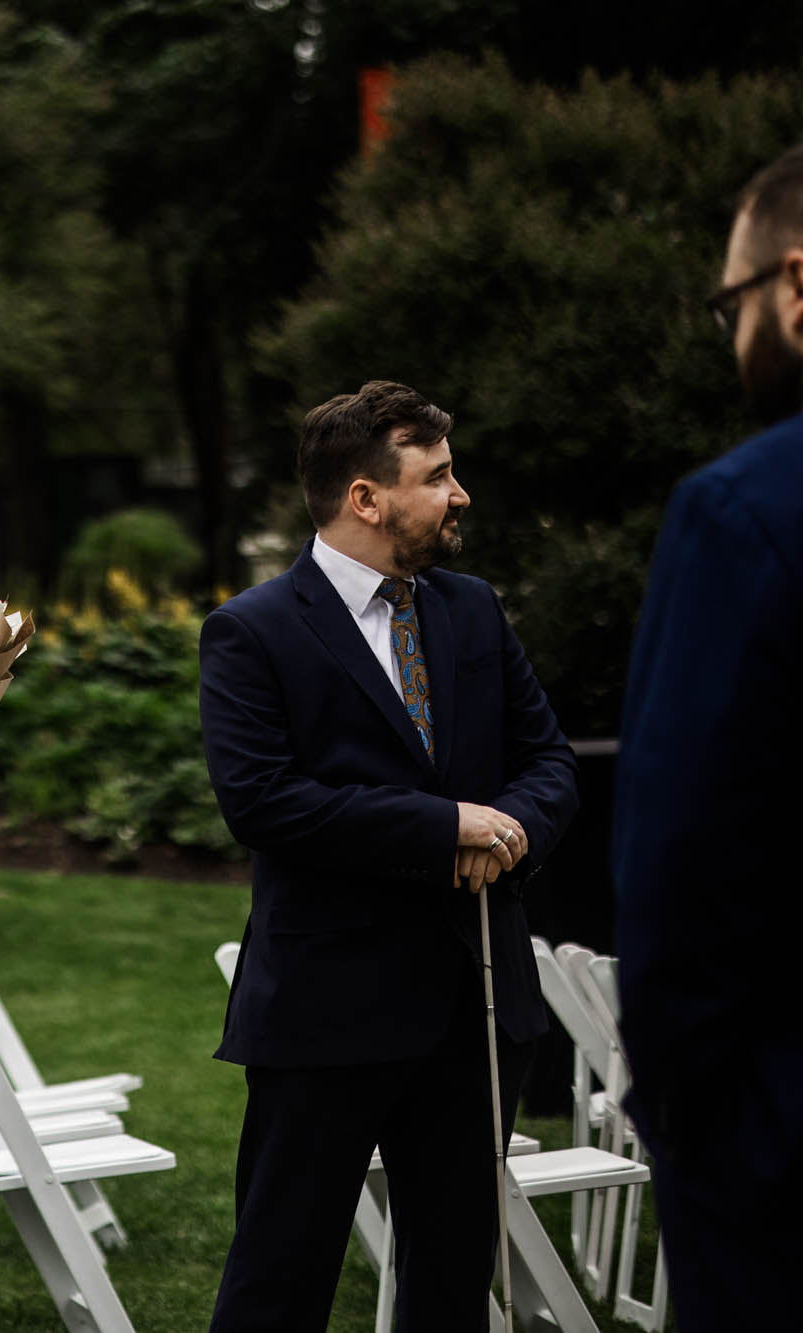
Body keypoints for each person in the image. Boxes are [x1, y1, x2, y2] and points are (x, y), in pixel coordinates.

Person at [198, 380, 580, 1331]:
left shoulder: (472, 609)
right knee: (280, 1283)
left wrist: (510, 828)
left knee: (451, 1286)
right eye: (437, 475)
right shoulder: (253, 629)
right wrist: (448, 826)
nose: (460, 493)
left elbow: (549, 760)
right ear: (365, 497)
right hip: (327, 1011)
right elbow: (263, 801)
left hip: (475, 999)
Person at [613, 145, 803, 1331]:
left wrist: (681, 1111)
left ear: (793, 284)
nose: (729, 331)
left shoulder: (744, 511)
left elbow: (682, 855)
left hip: (778, 1141)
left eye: (728, 302)